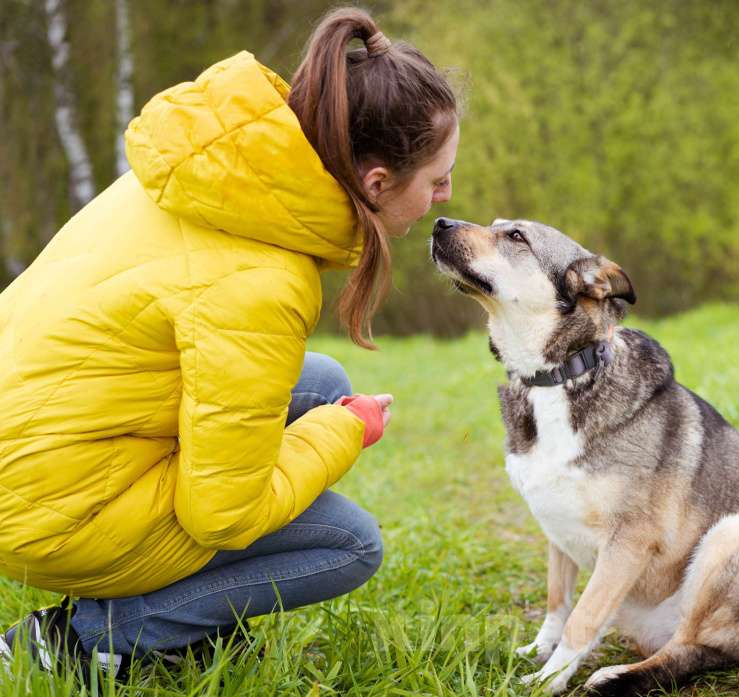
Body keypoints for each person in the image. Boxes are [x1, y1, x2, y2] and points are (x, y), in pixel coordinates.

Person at [0, 6, 458, 678]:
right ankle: (84, 637)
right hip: (48, 509)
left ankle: (169, 616)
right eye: (438, 179)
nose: (446, 195)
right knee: (349, 543)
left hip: (34, 451)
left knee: (321, 380)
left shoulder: (216, 170)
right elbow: (223, 515)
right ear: (377, 183)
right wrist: (343, 433)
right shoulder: (263, 283)